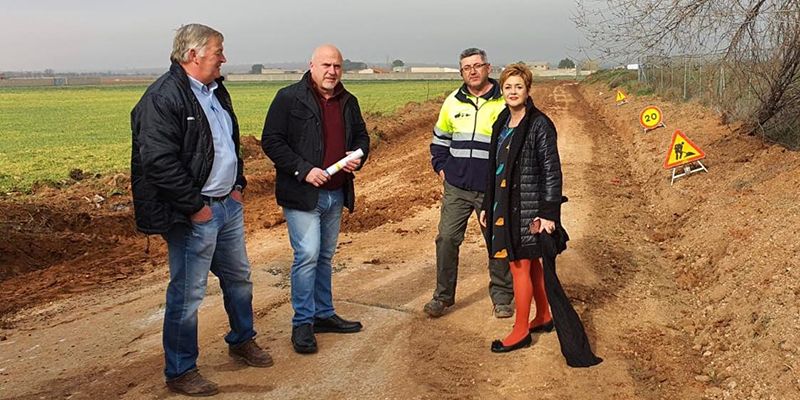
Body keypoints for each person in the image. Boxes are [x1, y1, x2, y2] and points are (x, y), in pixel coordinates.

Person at [130, 24, 273, 396]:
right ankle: (180, 370)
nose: (224, 58)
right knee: (188, 293)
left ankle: (242, 339)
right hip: (195, 214)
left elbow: (226, 142)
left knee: (239, 278)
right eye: (218, 51)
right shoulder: (163, 98)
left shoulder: (215, 91)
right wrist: (195, 207)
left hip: (227, 205)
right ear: (193, 55)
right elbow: (158, 161)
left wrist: (237, 184)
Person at [262, 44, 370, 355]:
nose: (332, 71)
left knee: (323, 256)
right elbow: (271, 140)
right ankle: (303, 323)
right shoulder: (288, 98)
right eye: (326, 65)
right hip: (302, 193)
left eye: (337, 66)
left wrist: (358, 156)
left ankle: (323, 314)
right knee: (307, 255)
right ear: (311, 65)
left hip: (336, 191)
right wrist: (304, 170)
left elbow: (362, 136)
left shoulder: (349, 101)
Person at [425, 48, 514, 318]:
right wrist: (442, 168)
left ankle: (502, 296)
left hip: (492, 190)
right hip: (457, 188)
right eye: (467, 67)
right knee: (447, 239)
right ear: (461, 72)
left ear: (488, 67)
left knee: (496, 241)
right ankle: (442, 297)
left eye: (477, 65)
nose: (472, 71)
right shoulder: (453, 102)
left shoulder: (505, 100)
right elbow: (439, 140)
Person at [479, 63, 561, 353]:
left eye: (518, 87)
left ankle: (520, 330)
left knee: (518, 265)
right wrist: (489, 205)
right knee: (531, 263)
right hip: (504, 204)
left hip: (527, 209)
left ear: (528, 90)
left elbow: (552, 172)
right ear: (502, 91)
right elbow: (493, 169)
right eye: (508, 87)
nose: (513, 92)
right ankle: (544, 315)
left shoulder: (539, 124)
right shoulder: (502, 120)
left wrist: (548, 213)